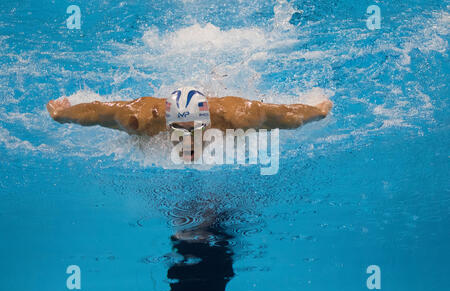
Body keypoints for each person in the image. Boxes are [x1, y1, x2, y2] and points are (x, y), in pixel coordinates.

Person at [46, 87, 333, 137]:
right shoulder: (142, 118)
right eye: (179, 131)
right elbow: (97, 113)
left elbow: (287, 116)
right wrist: (64, 114)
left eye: (193, 130)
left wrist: (317, 111)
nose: (187, 139)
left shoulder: (239, 115)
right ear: (167, 120)